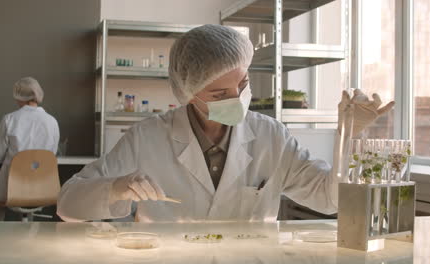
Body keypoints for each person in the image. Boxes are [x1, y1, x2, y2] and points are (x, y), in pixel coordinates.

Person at [57, 25, 394, 222]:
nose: (237, 99)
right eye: (219, 93)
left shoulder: (270, 135)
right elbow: (67, 203)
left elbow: (330, 199)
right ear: (188, 92)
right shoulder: (146, 137)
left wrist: (348, 135)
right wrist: (115, 189)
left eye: (243, 85)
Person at [0, 77, 60, 221]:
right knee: (28, 198)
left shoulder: (10, 119)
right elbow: (52, 155)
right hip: (43, 188)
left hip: (12, 189)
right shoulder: (52, 122)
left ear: (18, 96)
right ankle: (29, 231)